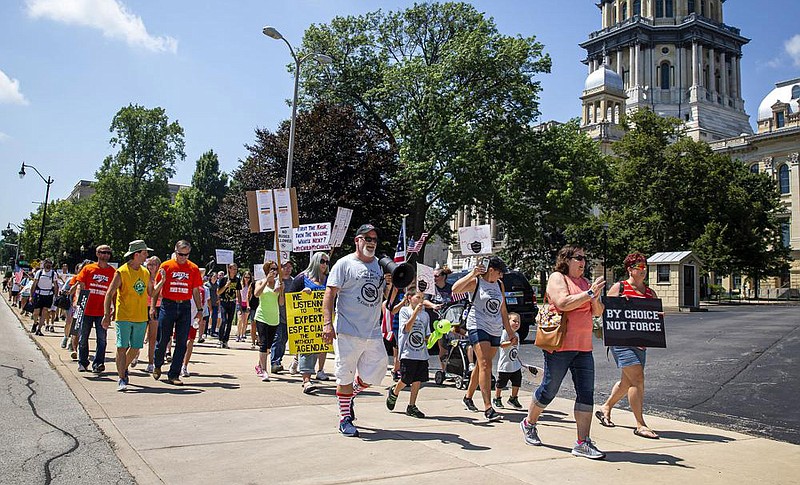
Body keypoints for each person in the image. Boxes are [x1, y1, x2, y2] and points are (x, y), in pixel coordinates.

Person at [519, 245, 606, 460]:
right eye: (579, 258)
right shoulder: (558, 278)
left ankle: (582, 442)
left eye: (585, 258)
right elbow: (562, 303)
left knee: (586, 393)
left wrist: (594, 297)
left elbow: (598, 311)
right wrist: (589, 294)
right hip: (560, 346)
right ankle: (529, 423)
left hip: (584, 347)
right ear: (566, 259)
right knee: (550, 388)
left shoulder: (586, 283)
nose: (583, 262)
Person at [322, 224, 386, 437]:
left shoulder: (380, 266)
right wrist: (327, 324)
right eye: (367, 237)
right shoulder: (344, 264)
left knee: (375, 373)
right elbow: (329, 294)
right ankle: (344, 418)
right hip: (347, 331)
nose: (371, 242)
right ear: (357, 240)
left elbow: (384, 297)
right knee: (344, 375)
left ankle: (349, 397)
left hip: (373, 332)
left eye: (374, 239)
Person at [596, 252, 660, 439]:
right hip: (622, 343)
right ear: (630, 269)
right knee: (638, 379)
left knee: (627, 382)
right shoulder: (620, 288)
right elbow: (603, 312)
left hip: (641, 344)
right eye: (639, 267)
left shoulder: (650, 293)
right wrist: (619, 306)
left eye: (644, 267)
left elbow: (655, 318)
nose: (643, 270)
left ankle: (605, 407)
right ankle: (640, 424)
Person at [451, 256, 517, 423]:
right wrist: (472, 273)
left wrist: (510, 332)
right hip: (477, 325)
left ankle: (468, 397)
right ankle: (488, 407)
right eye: (500, 272)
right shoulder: (477, 282)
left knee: (482, 365)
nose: (501, 276)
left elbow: (503, 308)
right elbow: (455, 289)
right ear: (492, 270)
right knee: (486, 364)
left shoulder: (499, 285)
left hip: (494, 327)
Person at [103, 240, 153, 392]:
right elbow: (109, 293)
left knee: (136, 347)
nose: (147, 256)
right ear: (136, 254)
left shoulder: (145, 272)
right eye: (145, 253)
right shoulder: (122, 272)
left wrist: (161, 282)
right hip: (123, 315)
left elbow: (151, 292)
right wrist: (106, 314)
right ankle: (122, 377)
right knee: (121, 346)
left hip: (140, 316)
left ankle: (122, 368)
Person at [152, 240, 204, 386]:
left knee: (182, 342)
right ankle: (157, 363)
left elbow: (195, 290)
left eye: (186, 255)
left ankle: (174, 374)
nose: (183, 257)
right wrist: (152, 306)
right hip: (168, 304)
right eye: (180, 254)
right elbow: (157, 287)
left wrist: (200, 310)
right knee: (163, 338)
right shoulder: (166, 266)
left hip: (185, 306)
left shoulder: (193, 268)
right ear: (175, 251)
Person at [385, 287, 430, 418]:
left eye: (422, 298)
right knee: (406, 378)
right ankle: (395, 391)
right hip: (407, 351)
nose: (421, 301)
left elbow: (426, 334)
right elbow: (407, 328)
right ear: (409, 298)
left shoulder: (425, 315)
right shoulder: (405, 311)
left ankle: (412, 405)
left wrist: (433, 337)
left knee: (418, 380)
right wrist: (415, 313)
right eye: (418, 297)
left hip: (421, 352)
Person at [290, 252, 329, 393]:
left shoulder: (329, 279)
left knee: (319, 349)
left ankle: (300, 364)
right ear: (315, 262)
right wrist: (301, 295)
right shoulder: (302, 277)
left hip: (323, 321)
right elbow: (290, 299)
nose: (324, 264)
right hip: (305, 322)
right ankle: (306, 381)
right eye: (322, 261)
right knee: (308, 349)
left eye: (326, 262)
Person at [75, 246, 117, 374]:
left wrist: (113, 309)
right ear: (97, 254)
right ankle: (83, 362)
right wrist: (79, 303)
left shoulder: (113, 272)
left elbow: (114, 292)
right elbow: (81, 286)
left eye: (108, 253)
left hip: (102, 311)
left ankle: (98, 363)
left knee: (102, 339)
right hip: (86, 309)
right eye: (103, 252)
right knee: (83, 338)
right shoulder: (88, 269)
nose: (106, 255)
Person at [253, 260, 285, 381]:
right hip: (262, 316)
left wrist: (281, 292)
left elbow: (281, 303)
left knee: (268, 346)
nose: (275, 272)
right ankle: (264, 370)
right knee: (263, 343)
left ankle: (259, 365)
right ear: (267, 270)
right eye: (272, 269)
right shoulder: (260, 282)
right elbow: (256, 294)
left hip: (274, 317)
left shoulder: (279, 283)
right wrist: (267, 280)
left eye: (276, 269)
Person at [493, 312, 524, 410]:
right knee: (501, 383)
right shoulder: (504, 333)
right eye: (514, 321)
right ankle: (497, 398)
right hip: (505, 366)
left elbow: (516, 350)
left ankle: (513, 398)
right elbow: (501, 344)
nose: (516, 323)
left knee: (517, 381)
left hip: (515, 365)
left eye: (518, 322)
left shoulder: (517, 334)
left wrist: (519, 361)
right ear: (507, 322)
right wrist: (510, 342)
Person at [272, 260, 294, 374]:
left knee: (284, 340)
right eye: (285, 266)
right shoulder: (276, 281)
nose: (288, 269)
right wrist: (279, 289)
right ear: (280, 269)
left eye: (290, 267)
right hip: (277, 315)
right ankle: (274, 362)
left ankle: (278, 360)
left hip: (289, 316)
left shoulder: (294, 281)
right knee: (278, 338)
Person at [31, 259, 59, 336]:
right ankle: (35, 323)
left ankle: (39, 329)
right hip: (39, 294)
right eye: (47, 263)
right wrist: (31, 295)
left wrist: (56, 296)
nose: (48, 265)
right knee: (36, 312)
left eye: (50, 264)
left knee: (45, 312)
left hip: (48, 295)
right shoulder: (39, 272)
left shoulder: (53, 274)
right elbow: (34, 284)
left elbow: (56, 286)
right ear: (44, 264)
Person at [216, 263, 241, 349]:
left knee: (230, 322)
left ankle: (225, 340)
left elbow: (238, 292)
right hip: (224, 302)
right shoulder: (223, 279)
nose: (235, 271)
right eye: (233, 269)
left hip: (232, 302)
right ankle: (220, 339)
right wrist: (226, 286)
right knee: (224, 320)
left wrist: (240, 304)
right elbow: (218, 292)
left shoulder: (237, 280)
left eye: (236, 269)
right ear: (229, 269)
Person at [236, 271, 252, 343]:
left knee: (245, 321)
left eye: (248, 277)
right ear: (243, 277)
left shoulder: (251, 285)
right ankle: (238, 335)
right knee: (240, 320)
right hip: (239, 303)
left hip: (247, 304)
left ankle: (243, 334)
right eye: (246, 277)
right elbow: (237, 293)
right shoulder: (240, 284)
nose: (247, 279)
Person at [205, 271, 220, 338]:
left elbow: (219, 294)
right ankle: (205, 332)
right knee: (206, 318)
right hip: (207, 304)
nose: (215, 278)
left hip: (215, 304)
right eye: (214, 276)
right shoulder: (207, 284)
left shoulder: (217, 285)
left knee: (214, 318)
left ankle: (212, 331)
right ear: (211, 277)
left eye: (216, 277)